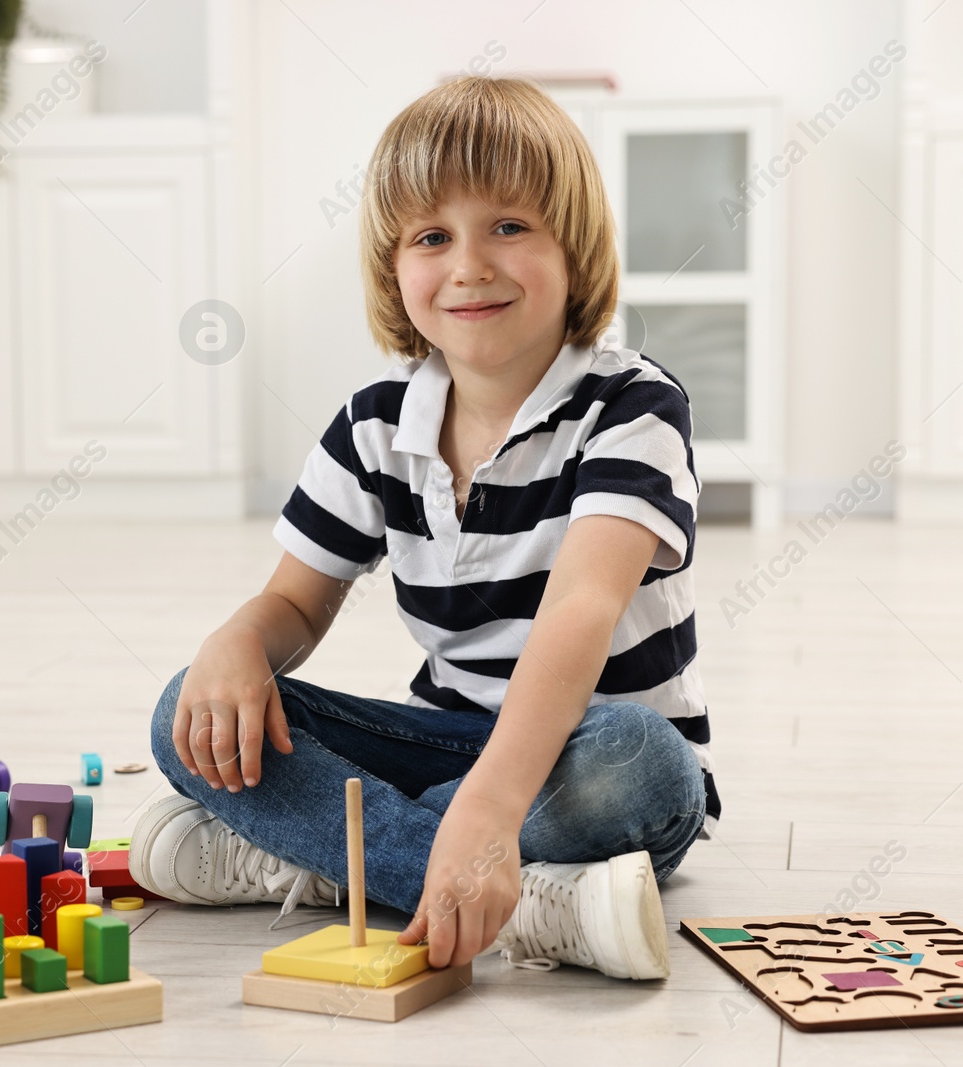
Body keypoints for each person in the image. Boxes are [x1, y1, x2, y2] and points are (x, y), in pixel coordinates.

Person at [129, 75, 718, 980]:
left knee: (642, 766)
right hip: (448, 744)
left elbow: (580, 613)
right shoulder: (376, 423)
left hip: (586, 754)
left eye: (509, 227)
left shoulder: (632, 404)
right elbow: (294, 599)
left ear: (575, 246)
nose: (470, 265)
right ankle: (538, 908)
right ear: (393, 268)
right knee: (188, 710)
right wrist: (240, 640)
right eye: (433, 237)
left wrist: (487, 812)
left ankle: (333, 861)